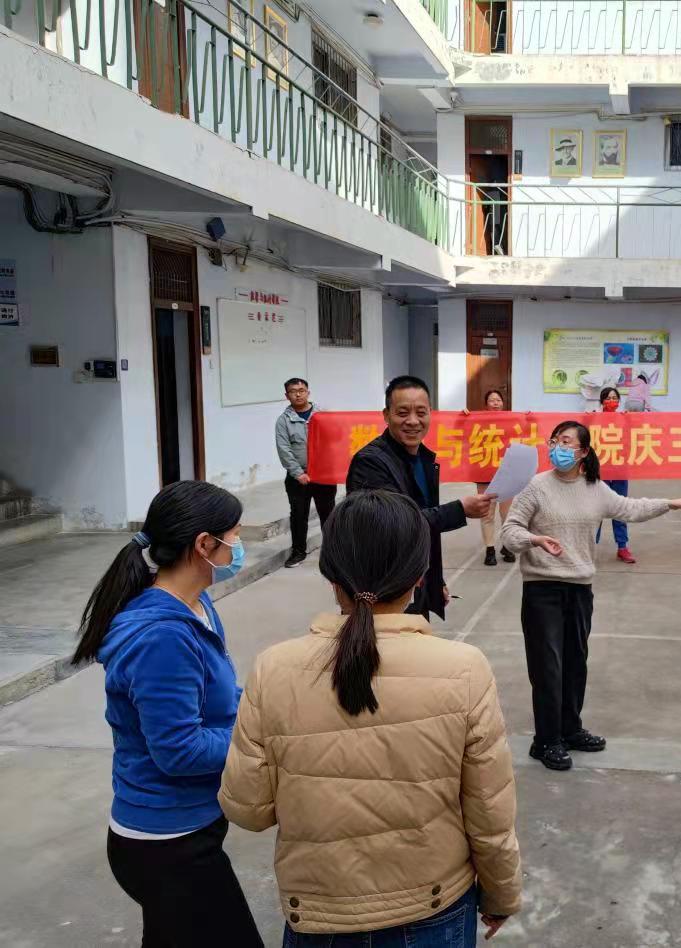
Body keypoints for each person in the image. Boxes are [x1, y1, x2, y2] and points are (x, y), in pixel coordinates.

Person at [219, 489, 522, 945]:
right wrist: (501, 894)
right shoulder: (464, 668)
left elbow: (248, 808)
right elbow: (490, 811)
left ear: (330, 575)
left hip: (318, 913)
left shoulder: (273, 668)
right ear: (420, 575)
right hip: (433, 909)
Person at [72, 481, 263, 947]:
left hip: (191, 827)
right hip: (167, 843)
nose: (239, 549)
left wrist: (260, 706)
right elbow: (180, 750)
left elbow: (219, 698)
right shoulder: (164, 636)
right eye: (235, 537)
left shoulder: (197, 605)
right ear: (204, 545)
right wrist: (261, 735)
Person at [500, 421, 681, 771]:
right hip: (542, 589)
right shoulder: (536, 486)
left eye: (566, 442)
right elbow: (510, 531)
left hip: (580, 589)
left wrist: (668, 503)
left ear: (583, 452)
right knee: (547, 668)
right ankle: (545, 740)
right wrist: (534, 540)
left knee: (575, 664)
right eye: (555, 441)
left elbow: (630, 508)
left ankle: (570, 729)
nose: (558, 448)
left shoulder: (595, 488)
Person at [346, 376, 495, 619]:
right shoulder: (370, 462)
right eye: (402, 413)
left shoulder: (423, 458)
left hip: (416, 582)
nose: (413, 421)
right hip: (384, 589)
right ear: (386, 415)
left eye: (421, 412)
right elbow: (393, 524)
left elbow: (425, 529)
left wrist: (435, 580)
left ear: (430, 415)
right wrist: (459, 509)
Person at [276, 377, 337, 569]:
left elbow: (337, 439)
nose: (298, 394)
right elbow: (284, 449)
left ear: (308, 392)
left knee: (328, 514)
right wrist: (297, 473)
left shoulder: (323, 415)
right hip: (298, 477)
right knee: (298, 515)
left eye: (301, 390)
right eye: (293, 391)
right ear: (287, 396)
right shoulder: (284, 421)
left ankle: (333, 553)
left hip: (324, 475)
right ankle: (298, 552)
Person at [464, 388, 515, 568]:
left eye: (498, 400)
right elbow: (461, 431)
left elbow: (527, 431)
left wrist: (528, 417)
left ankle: (507, 546)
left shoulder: (511, 420)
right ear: (486, 404)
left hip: (507, 473)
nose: (495, 403)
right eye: (492, 400)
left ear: (503, 403)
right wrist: (464, 416)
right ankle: (490, 549)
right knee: (487, 513)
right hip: (484, 473)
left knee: (507, 514)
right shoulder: (477, 421)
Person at [593, 386, 637, 564]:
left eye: (615, 398)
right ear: (602, 401)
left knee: (620, 508)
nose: (612, 401)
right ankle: (590, 545)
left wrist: (629, 421)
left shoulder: (624, 419)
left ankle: (622, 547)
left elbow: (634, 438)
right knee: (596, 510)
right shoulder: (595, 419)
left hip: (619, 470)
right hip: (600, 472)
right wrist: (587, 418)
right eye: (608, 398)